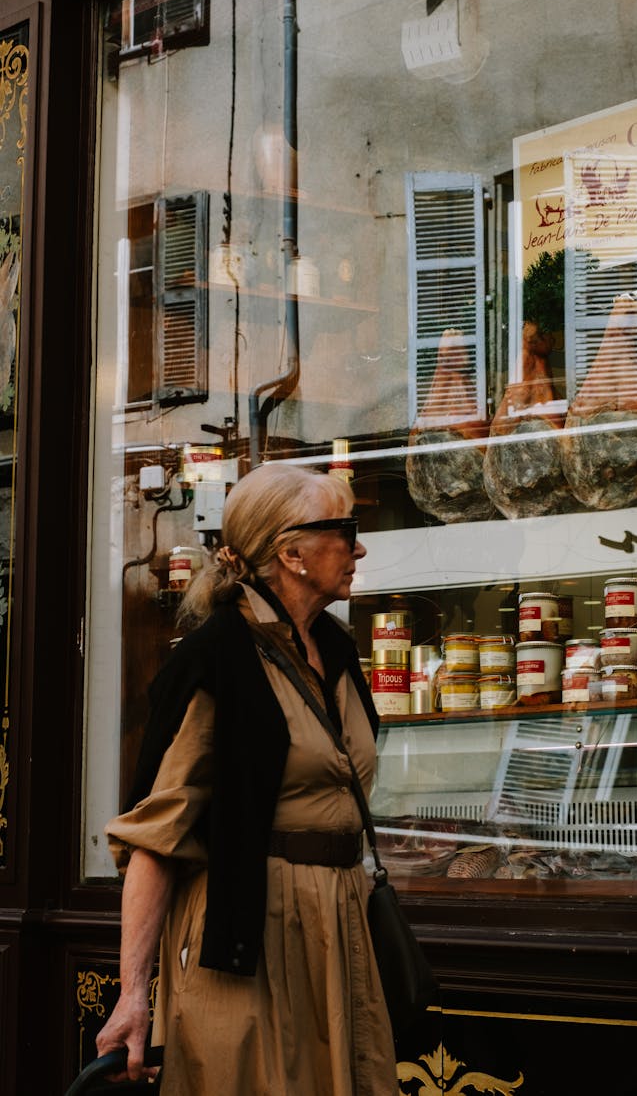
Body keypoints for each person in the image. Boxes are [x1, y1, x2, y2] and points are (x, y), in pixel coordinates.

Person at [96, 461, 399, 1096]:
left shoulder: (338, 651)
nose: (360, 545)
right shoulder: (218, 657)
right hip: (253, 932)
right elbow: (156, 836)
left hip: (338, 927)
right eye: (345, 529)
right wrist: (132, 994)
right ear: (291, 552)